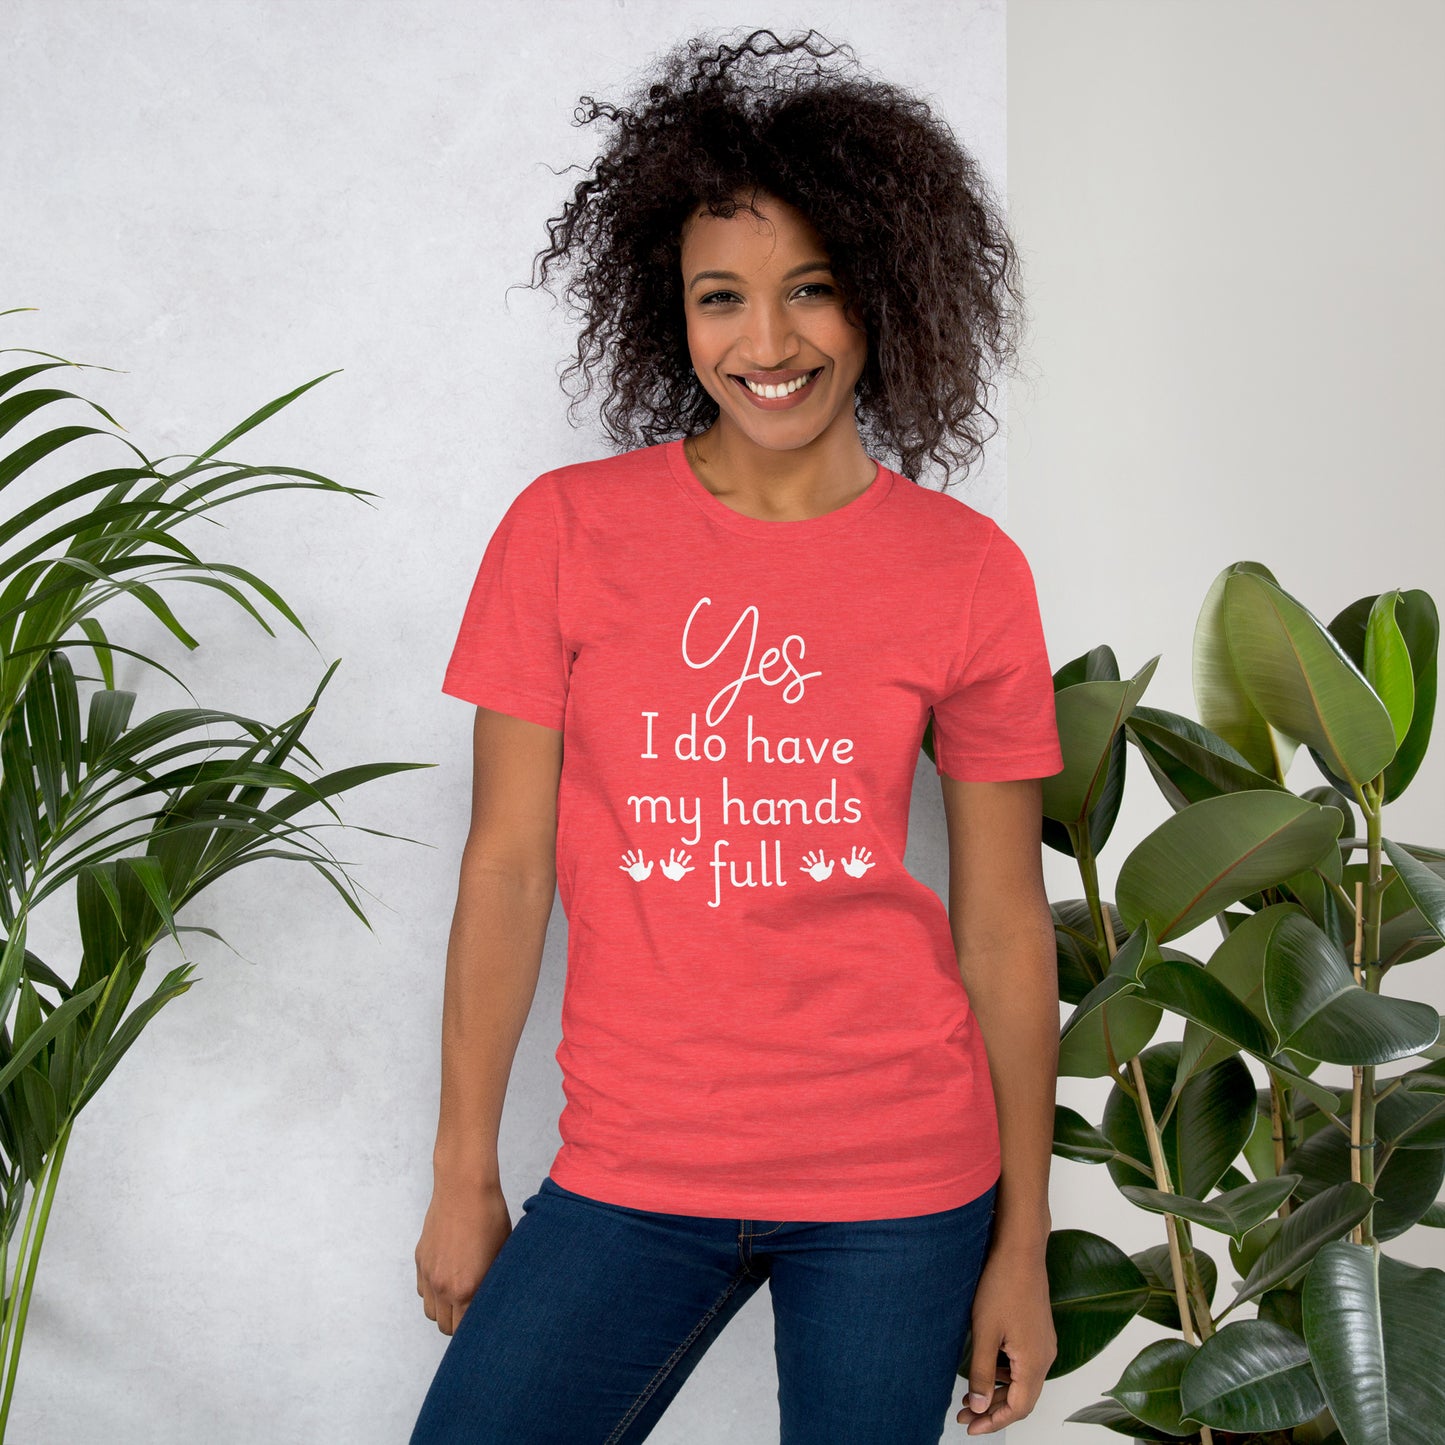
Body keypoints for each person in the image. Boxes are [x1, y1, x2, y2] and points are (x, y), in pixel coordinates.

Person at [411, 28, 1062, 1445]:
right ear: (674, 309)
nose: (765, 344)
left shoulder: (965, 569)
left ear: (883, 296)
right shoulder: (566, 534)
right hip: (637, 1165)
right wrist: (466, 1162)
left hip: (901, 1180)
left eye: (811, 291)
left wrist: (1021, 1238)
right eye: (722, 298)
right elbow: (507, 867)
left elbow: (1005, 926)